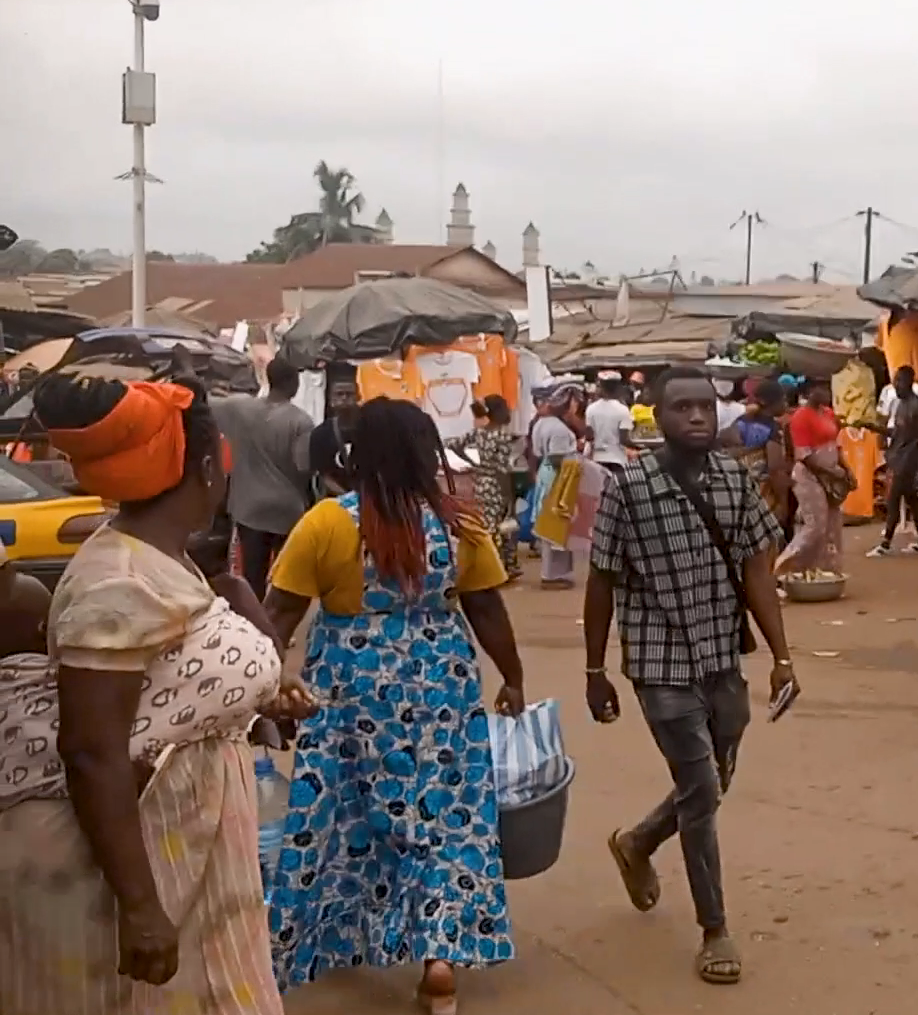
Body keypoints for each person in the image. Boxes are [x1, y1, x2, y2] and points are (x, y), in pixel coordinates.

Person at [0, 367, 311, 1015]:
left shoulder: (162, 560)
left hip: (192, 852)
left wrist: (242, 708)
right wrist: (141, 909)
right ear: (208, 465)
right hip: (137, 860)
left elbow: (164, 695)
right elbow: (92, 748)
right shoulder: (116, 581)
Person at [263, 398, 526, 1011]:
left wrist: (263, 692)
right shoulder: (459, 524)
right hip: (442, 686)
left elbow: (277, 613)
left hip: (348, 689)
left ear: (357, 455)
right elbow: (486, 607)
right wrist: (512, 676)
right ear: (425, 453)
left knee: (343, 814)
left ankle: (302, 944)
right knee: (447, 815)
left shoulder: (326, 523)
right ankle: (440, 955)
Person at [584, 366, 796, 985]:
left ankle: (640, 840)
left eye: (706, 406)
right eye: (683, 408)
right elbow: (601, 580)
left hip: (723, 656)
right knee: (701, 791)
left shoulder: (734, 480)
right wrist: (595, 670)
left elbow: (759, 571)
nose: (698, 417)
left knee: (718, 773)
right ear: (656, 415)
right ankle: (715, 928)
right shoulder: (628, 489)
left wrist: (783, 656)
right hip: (659, 661)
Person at [212, 356, 316, 598]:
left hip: (249, 510)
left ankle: (253, 627)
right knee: (286, 580)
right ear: (294, 382)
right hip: (287, 512)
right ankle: (278, 628)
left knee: (252, 576)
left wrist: (186, 368)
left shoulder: (239, 408)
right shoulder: (301, 421)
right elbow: (304, 466)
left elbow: (202, 400)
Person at [448, 394, 522, 580]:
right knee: (505, 525)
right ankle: (502, 567)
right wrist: (509, 497)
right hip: (496, 485)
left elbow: (453, 445)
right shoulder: (504, 437)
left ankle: (498, 567)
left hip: (480, 483)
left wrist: (471, 461)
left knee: (488, 526)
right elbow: (503, 470)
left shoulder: (478, 433)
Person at [777, 380, 847, 577]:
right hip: (809, 476)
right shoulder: (800, 417)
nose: (826, 392)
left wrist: (846, 469)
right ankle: (785, 567)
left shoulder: (828, 413)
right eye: (821, 388)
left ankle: (825, 570)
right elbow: (804, 456)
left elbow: (836, 444)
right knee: (815, 526)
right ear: (810, 392)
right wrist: (831, 472)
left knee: (832, 525)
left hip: (829, 474)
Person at [871, 366, 918, 556]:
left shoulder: (916, 406)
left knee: (893, 499)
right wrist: (872, 427)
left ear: (910, 382)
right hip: (899, 457)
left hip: (908, 461)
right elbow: (897, 433)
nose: (896, 385)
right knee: (912, 500)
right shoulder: (901, 404)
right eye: (895, 381)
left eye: (900, 381)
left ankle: (885, 543)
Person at [529, 388, 584, 588]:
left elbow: (537, 453)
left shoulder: (540, 424)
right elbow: (557, 456)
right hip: (560, 476)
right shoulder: (559, 429)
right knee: (557, 526)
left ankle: (553, 573)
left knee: (550, 525)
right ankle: (553, 575)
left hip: (547, 474)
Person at [725, 377, 792, 528]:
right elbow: (775, 469)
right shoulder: (773, 429)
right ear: (770, 403)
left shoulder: (741, 422)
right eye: (783, 400)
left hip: (740, 492)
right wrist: (783, 503)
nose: (786, 404)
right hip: (764, 493)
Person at [308, 374, 359, 499]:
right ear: (330, 399)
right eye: (339, 394)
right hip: (336, 500)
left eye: (349, 394)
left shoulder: (371, 428)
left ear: (359, 396)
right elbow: (324, 475)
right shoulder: (321, 434)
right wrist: (347, 497)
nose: (344, 398)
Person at [586, 374, 637, 474]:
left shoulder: (591, 408)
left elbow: (589, 436)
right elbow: (624, 439)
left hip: (597, 460)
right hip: (617, 461)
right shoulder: (622, 410)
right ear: (618, 388)